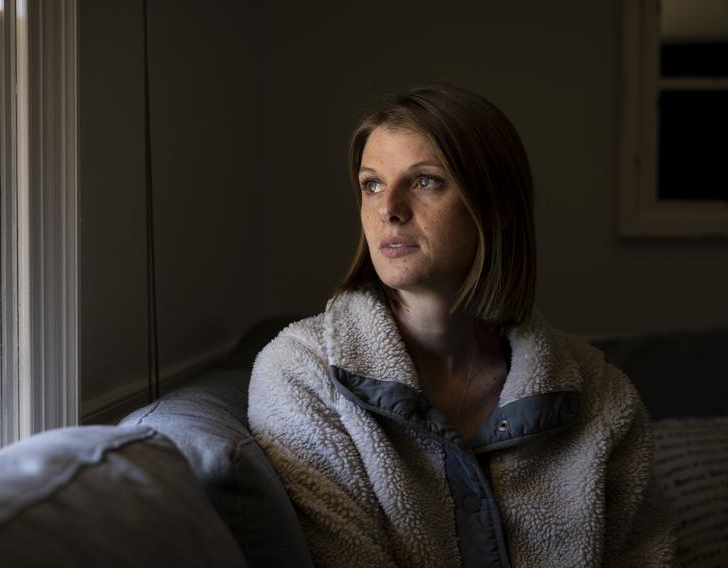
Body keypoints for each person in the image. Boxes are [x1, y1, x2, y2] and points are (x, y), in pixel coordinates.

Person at [247, 84, 676, 567]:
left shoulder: (599, 394)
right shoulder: (301, 375)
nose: (389, 208)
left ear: (497, 206)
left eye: (425, 181)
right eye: (371, 184)